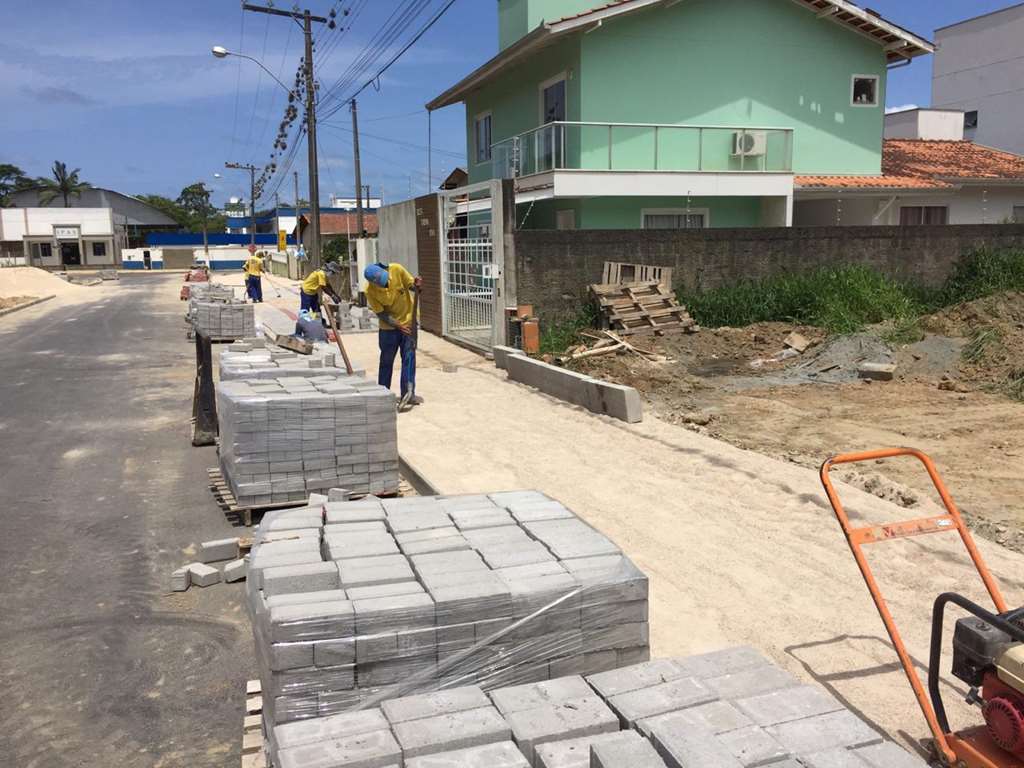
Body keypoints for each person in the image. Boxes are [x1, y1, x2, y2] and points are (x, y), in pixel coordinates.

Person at [364, 262, 422, 403]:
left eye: (386, 283)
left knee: (409, 358)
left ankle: (408, 393)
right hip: (388, 328)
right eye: (381, 285)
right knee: (386, 361)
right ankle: (383, 394)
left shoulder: (396, 269)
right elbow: (382, 313)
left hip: (408, 322)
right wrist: (398, 325)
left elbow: (411, 286)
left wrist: (417, 285)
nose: (385, 286)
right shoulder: (369, 291)